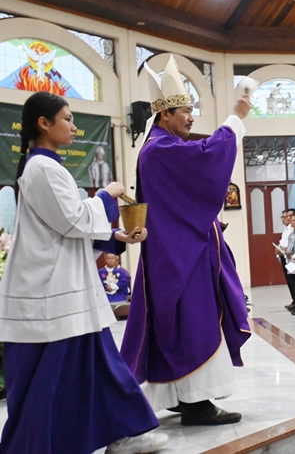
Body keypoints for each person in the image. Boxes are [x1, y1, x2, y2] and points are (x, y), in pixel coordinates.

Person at [0, 91, 167, 453]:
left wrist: (116, 237)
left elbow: (64, 231)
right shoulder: (41, 167)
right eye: (68, 119)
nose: (75, 127)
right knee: (51, 381)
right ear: (44, 124)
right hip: (51, 297)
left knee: (101, 369)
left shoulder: (47, 166)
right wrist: (107, 195)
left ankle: (123, 434)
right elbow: (74, 220)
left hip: (67, 292)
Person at [120, 55, 251, 425]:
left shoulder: (158, 146)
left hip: (177, 252)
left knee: (178, 323)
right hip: (180, 258)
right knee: (193, 322)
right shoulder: (160, 148)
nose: (191, 118)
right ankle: (196, 402)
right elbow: (206, 157)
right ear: (165, 115)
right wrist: (235, 118)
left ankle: (183, 396)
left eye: (192, 110)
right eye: (185, 112)